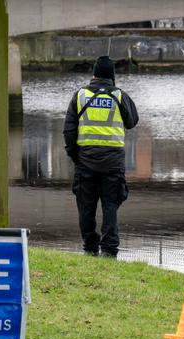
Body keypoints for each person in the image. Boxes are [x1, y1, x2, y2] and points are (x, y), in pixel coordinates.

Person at [63, 56, 139, 258]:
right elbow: (132, 121)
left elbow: (69, 131)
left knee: (85, 207)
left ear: (94, 75)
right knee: (110, 205)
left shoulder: (79, 96)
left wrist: (75, 156)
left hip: (85, 161)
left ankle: (89, 246)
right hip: (113, 163)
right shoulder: (120, 96)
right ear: (112, 78)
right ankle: (109, 249)